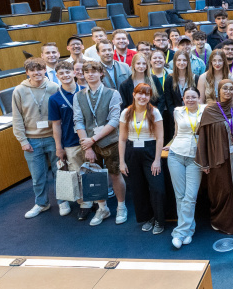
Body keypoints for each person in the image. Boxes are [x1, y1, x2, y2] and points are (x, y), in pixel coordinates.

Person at [73, 61, 127, 226]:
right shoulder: (78, 96)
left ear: (101, 73)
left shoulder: (113, 93)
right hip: (89, 144)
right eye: (87, 72)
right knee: (94, 175)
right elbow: (78, 121)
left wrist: (93, 139)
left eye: (94, 71)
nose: (90, 74)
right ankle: (102, 208)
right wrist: (88, 145)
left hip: (110, 141)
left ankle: (121, 206)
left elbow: (114, 120)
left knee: (115, 174)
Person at [196, 79, 233, 234]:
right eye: (225, 88)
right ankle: (220, 221)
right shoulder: (210, 110)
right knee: (222, 189)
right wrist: (204, 162)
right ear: (218, 90)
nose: (228, 91)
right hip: (217, 158)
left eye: (231, 88)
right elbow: (203, 138)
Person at [15, 57, 62, 219]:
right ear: (27, 72)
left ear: (44, 70)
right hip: (32, 140)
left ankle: (62, 201)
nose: (36, 73)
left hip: (52, 138)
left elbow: (60, 115)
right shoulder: (19, 91)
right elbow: (17, 118)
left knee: (59, 172)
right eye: (32, 70)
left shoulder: (54, 87)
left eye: (39, 69)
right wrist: (23, 140)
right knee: (38, 176)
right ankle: (42, 203)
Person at [118, 83, 165, 234]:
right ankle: (148, 217)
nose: (143, 97)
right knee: (138, 188)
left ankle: (159, 219)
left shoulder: (154, 112)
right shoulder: (126, 112)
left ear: (150, 97)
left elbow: (160, 138)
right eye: (140, 93)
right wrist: (122, 161)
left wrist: (157, 160)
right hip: (132, 152)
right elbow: (122, 139)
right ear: (134, 94)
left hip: (150, 150)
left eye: (146, 94)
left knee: (157, 188)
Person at [49, 61, 93, 220]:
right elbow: (56, 126)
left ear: (74, 73)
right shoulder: (54, 99)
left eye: (68, 72)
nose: (65, 76)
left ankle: (95, 197)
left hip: (90, 140)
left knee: (91, 170)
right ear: (57, 76)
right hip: (70, 142)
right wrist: (58, 147)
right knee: (77, 173)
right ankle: (84, 204)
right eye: (61, 74)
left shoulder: (86, 91)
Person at [166, 87, 205, 248]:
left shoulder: (205, 111)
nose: (190, 100)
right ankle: (188, 230)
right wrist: (170, 144)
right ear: (183, 99)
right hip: (176, 155)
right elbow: (176, 132)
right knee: (180, 196)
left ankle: (180, 232)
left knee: (190, 196)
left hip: (195, 157)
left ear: (199, 98)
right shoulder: (177, 111)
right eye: (187, 97)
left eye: (193, 97)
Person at [164, 52, 197, 143]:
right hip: (175, 118)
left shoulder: (195, 78)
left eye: (184, 60)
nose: (181, 62)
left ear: (188, 62)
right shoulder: (169, 79)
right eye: (178, 60)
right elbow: (169, 101)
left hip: (192, 118)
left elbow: (198, 99)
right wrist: (176, 116)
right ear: (174, 62)